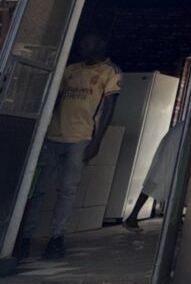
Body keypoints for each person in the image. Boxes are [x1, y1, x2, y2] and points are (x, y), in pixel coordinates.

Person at [15, 32, 121, 260]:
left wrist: (96, 141)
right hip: (52, 136)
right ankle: (24, 237)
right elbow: (54, 100)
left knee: (67, 190)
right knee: (37, 189)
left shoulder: (109, 72)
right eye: (83, 41)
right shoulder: (71, 70)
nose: (84, 45)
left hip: (80, 138)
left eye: (89, 41)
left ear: (101, 43)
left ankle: (56, 237)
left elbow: (109, 108)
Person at [123, 119, 185, 232]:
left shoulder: (182, 127)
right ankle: (133, 217)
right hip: (175, 147)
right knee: (162, 182)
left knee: (158, 181)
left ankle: (176, 218)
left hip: (174, 146)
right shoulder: (187, 127)